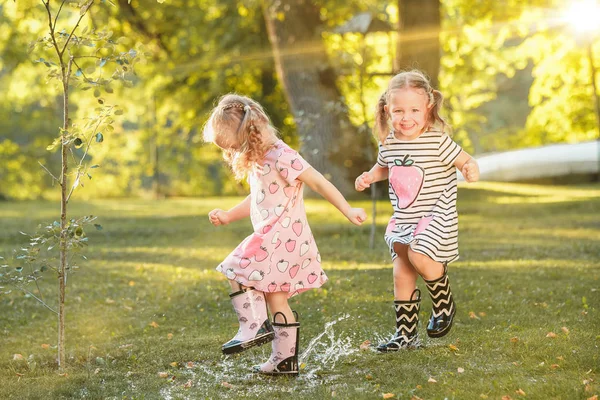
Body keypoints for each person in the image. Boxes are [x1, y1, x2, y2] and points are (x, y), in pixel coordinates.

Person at [204, 93, 367, 375]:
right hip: (276, 237)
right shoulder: (259, 158)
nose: (230, 153)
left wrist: (348, 210)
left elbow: (319, 182)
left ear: (246, 134)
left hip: (282, 236)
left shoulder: (282, 156)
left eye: (231, 146)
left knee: (235, 268)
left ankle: (254, 326)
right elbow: (258, 198)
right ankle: (284, 360)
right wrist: (230, 214)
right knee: (276, 298)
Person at [355, 70, 480, 352]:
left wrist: (470, 169)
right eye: (398, 110)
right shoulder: (389, 142)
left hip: (437, 215)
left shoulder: (438, 141)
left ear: (428, 109)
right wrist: (369, 177)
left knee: (418, 252)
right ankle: (405, 335)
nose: (406, 117)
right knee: (402, 270)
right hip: (405, 217)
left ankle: (443, 302)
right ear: (387, 111)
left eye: (414, 109)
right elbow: (384, 166)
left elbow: (465, 160)